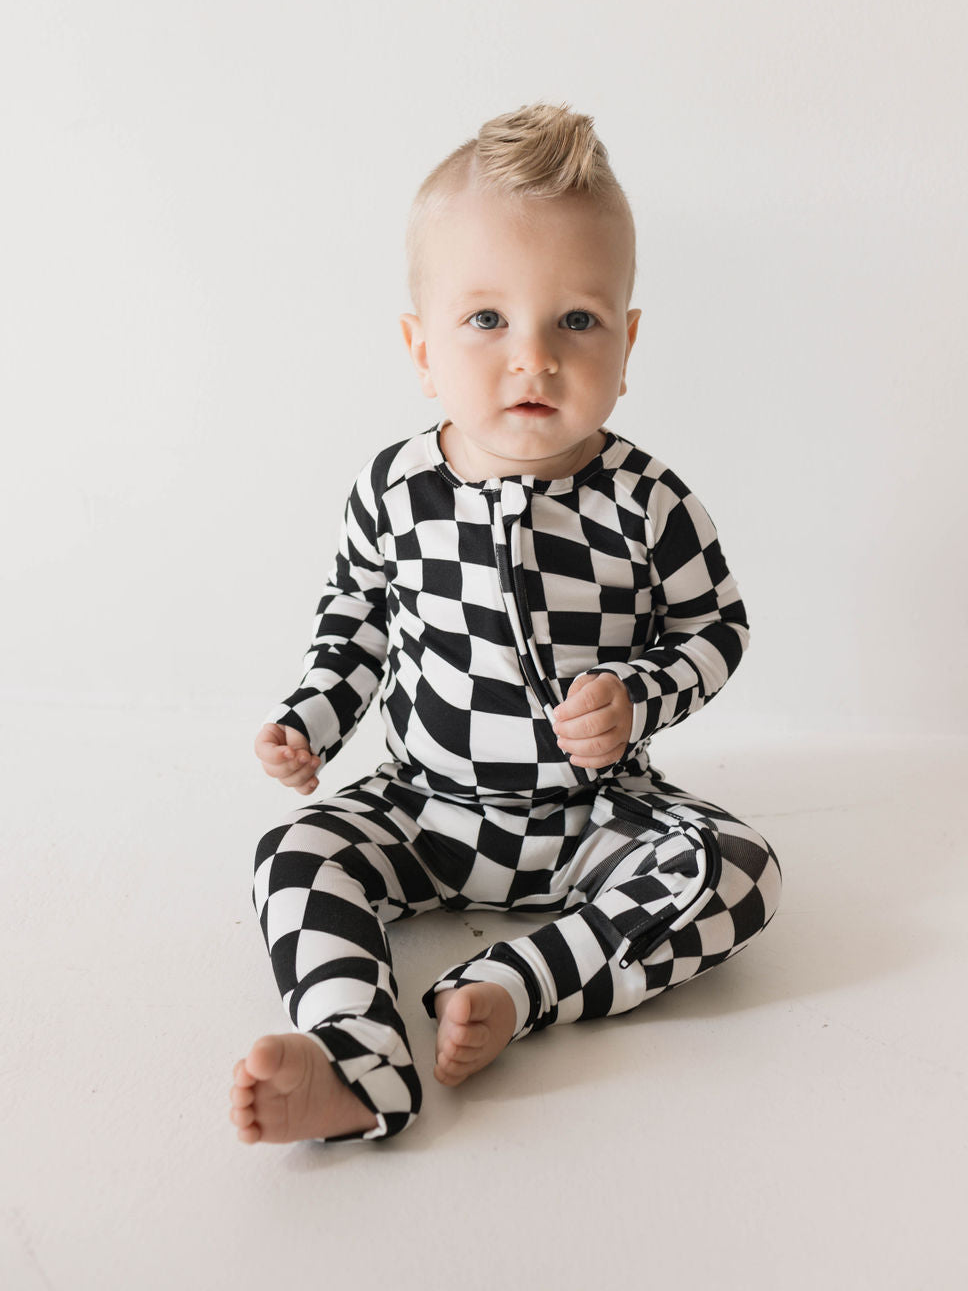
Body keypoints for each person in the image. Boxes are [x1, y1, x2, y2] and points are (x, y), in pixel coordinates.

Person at [228, 101, 782, 1146]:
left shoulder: (645, 499)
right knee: (292, 853)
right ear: (420, 344)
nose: (532, 358)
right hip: (426, 807)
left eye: (574, 320)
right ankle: (357, 1056)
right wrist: (310, 719)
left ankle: (513, 986)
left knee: (739, 868)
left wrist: (639, 695)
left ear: (626, 340)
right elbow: (357, 619)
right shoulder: (394, 488)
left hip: (595, 819)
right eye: (486, 320)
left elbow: (716, 624)